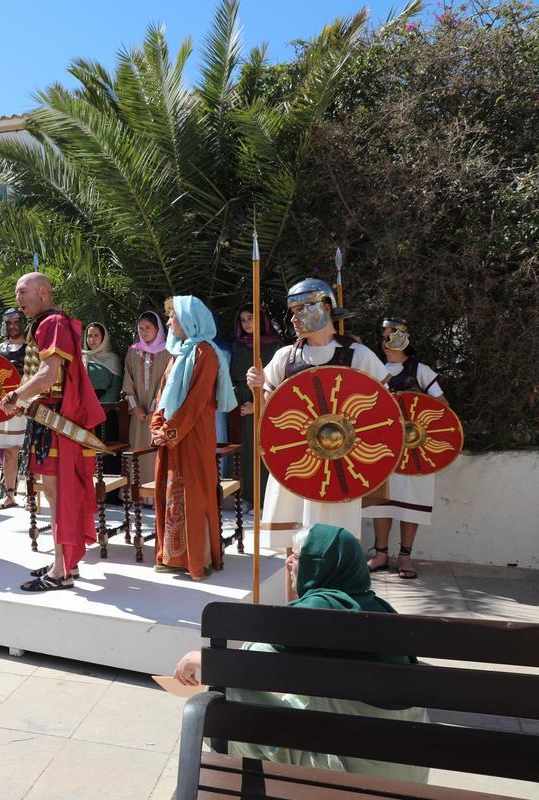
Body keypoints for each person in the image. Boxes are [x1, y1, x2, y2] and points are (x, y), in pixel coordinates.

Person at [173, 524, 428, 784]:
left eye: (297, 557)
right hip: (404, 768)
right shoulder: (378, 607)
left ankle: (248, 784)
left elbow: (252, 660)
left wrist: (202, 659)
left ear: (318, 566)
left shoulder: (321, 609)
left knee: (232, 691)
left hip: (357, 774)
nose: (288, 562)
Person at [246, 279, 389, 557]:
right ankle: (294, 601)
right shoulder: (285, 357)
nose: (293, 317)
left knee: (338, 547)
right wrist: (258, 387)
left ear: (325, 307)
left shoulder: (358, 356)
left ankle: (332, 600)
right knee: (293, 549)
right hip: (297, 461)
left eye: (301, 308)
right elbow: (270, 415)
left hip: (340, 461)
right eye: (292, 310)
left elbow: (383, 414)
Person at [0, 273, 105, 591]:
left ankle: (62, 571)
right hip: (46, 419)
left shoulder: (53, 323)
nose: (17, 299)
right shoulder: (46, 323)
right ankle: (63, 561)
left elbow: (48, 374)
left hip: (56, 422)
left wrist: (18, 395)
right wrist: (26, 400)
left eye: (22, 292)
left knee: (59, 495)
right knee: (52, 493)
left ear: (43, 292)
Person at [149, 297, 237, 579]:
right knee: (170, 491)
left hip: (194, 434)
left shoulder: (206, 354)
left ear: (189, 320)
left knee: (194, 494)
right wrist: (157, 425)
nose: (170, 322)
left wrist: (169, 431)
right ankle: (172, 556)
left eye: (174, 317)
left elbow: (197, 401)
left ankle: (198, 560)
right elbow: (162, 395)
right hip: (172, 436)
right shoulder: (176, 354)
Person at [363, 317, 445, 580]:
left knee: (411, 503)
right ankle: (381, 554)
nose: (385, 342)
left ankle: (406, 556)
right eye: (382, 336)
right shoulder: (374, 370)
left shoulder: (421, 371)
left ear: (404, 338)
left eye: (391, 336)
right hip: (382, 449)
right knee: (381, 503)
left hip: (415, 450)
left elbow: (443, 410)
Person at [228, 306, 282, 508]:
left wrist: (257, 405)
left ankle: (265, 502)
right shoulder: (238, 345)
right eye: (243, 320)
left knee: (263, 451)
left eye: (251, 318)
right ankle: (249, 498)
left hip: (263, 404)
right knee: (246, 453)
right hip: (240, 405)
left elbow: (277, 382)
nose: (247, 323)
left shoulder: (275, 346)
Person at [121, 311, 173, 485]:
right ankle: (136, 493)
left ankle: (155, 494)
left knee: (156, 450)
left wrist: (154, 409)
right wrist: (135, 407)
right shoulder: (133, 352)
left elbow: (166, 382)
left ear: (158, 329)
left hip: (159, 413)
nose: (144, 331)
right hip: (138, 415)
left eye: (148, 328)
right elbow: (127, 381)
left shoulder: (168, 352)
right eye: (141, 328)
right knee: (136, 449)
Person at [0, 309, 28, 509]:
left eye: (16, 322)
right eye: (9, 323)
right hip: (5, 406)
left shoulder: (32, 349)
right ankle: (10, 495)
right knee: (9, 452)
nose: (12, 326)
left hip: (27, 403)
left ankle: (32, 496)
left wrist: (23, 401)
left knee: (32, 450)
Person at [82, 322, 123, 403]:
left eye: (96, 335)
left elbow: (116, 388)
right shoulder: (81, 358)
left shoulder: (113, 359)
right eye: (89, 336)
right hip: (82, 406)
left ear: (103, 338)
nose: (92, 339)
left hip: (106, 408)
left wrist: (99, 407)